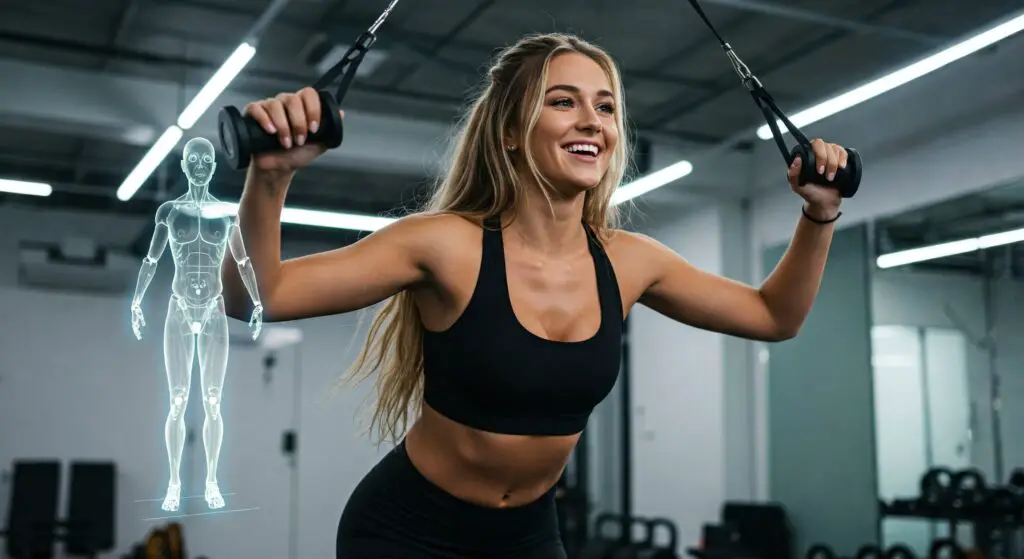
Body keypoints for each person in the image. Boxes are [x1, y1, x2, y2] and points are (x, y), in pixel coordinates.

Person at [221, 32, 849, 559]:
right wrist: (270, 177)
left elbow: (775, 316)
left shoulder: (630, 262)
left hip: (527, 535)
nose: (591, 122)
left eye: (605, 108)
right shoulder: (445, 246)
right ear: (512, 133)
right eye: (562, 102)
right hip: (406, 532)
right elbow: (258, 296)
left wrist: (818, 215)